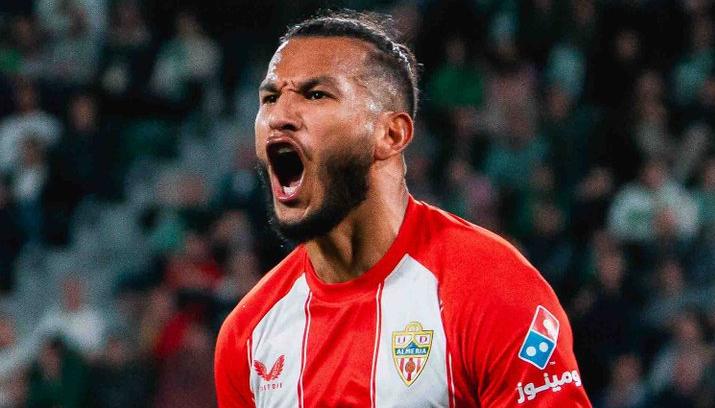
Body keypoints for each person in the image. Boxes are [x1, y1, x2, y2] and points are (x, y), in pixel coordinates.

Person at [215, 10, 592, 407]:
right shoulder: (249, 336)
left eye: (315, 95)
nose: (279, 117)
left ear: (391, 134)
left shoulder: (491, 291)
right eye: (270, 98)